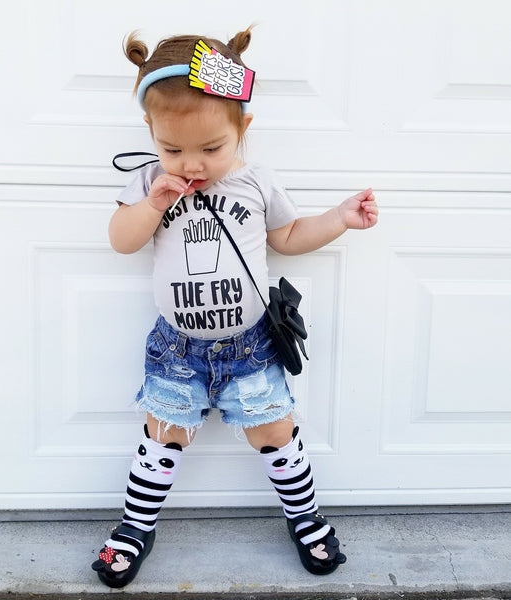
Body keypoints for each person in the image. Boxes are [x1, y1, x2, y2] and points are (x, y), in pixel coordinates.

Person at [91, 27, 378, 588]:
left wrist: (338, 218)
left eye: (211, 148)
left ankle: (305, 518)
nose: (192, 164)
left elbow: (288, 236)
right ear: (151, 132)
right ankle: (134, 526)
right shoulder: (150, 180)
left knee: (276, 434)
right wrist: (152, 205)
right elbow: (122, 240)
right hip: (178, 348)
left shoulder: (255, 182)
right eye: (174, 148)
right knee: (161, 438)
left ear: (242, 130)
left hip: (250, 347)